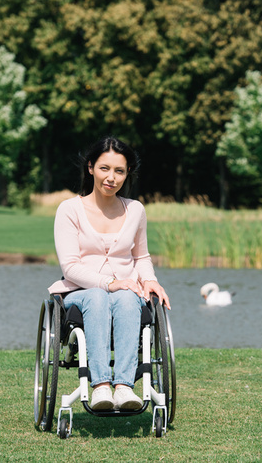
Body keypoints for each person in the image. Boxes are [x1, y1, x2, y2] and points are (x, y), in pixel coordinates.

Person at [48, 135, 170, 411]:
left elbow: (141, 257)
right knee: (98, 297)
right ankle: (101, 385)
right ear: (90, 167)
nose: (111, 178)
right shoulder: (69, 210)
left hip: (125, 291)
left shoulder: (135, 210)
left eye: (119, 171)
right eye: (105, 168)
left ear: (127, 174)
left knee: (129, 297)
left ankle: (124, 387)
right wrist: (110, 283)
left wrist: (150, 281)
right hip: (79, 293)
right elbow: (70, 266)